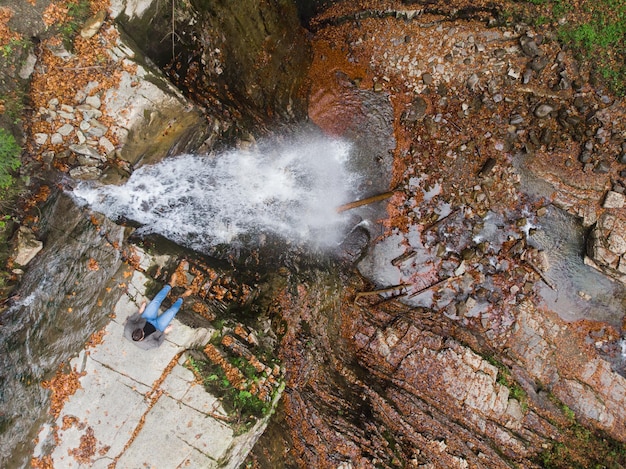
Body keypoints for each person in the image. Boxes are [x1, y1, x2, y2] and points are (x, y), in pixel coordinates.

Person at [124, 264, 192, 350]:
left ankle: (170, 285)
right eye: (142, 331)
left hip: (146, 318)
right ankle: (182, 297)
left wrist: (140, 311)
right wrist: (164, 332)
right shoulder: (148, 345)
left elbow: (131, 320)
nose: (142, 329)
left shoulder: (128, 329)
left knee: (155, 302)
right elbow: (158, 343)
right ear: (142, 337)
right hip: (158, 327)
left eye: (139, 329)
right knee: (172, 311)